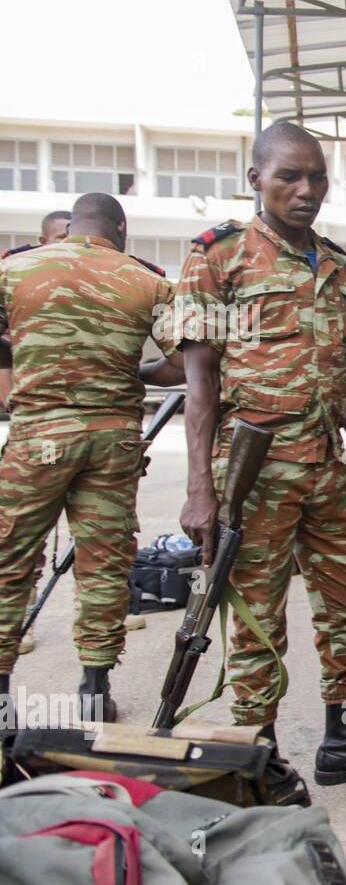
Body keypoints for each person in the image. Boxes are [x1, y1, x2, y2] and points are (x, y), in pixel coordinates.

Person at [175, 121, 346, 786]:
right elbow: (199, 381)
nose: (307, 189)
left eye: (317, 176)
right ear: (256, 178)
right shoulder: (217, 256)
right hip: (252, 470)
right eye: (290, 175)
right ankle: (258, 754)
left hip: (325, 467)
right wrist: (199, 488)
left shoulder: (337, 263)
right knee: (258, 615)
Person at [0, 194, 174, 721]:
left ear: (71, 224)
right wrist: (132, 373)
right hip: (114, 439)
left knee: (10, 563)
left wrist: (27, 356)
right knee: (104, 564)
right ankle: (94, 690)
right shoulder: (148, 281)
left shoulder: (16, 268)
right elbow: (187, 360)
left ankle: (3, 699)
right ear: (120, 228)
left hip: (37, 437)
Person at [1, 210, 74, 654]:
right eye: (62, 237)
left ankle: (104, 619)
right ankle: (19, 617)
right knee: (20, 534)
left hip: (90, 424)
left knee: (102, 531)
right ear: (43, 239)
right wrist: (10, 397)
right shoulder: (20, 276)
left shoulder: (100, 281)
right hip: (38, 424)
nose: (70, 244)